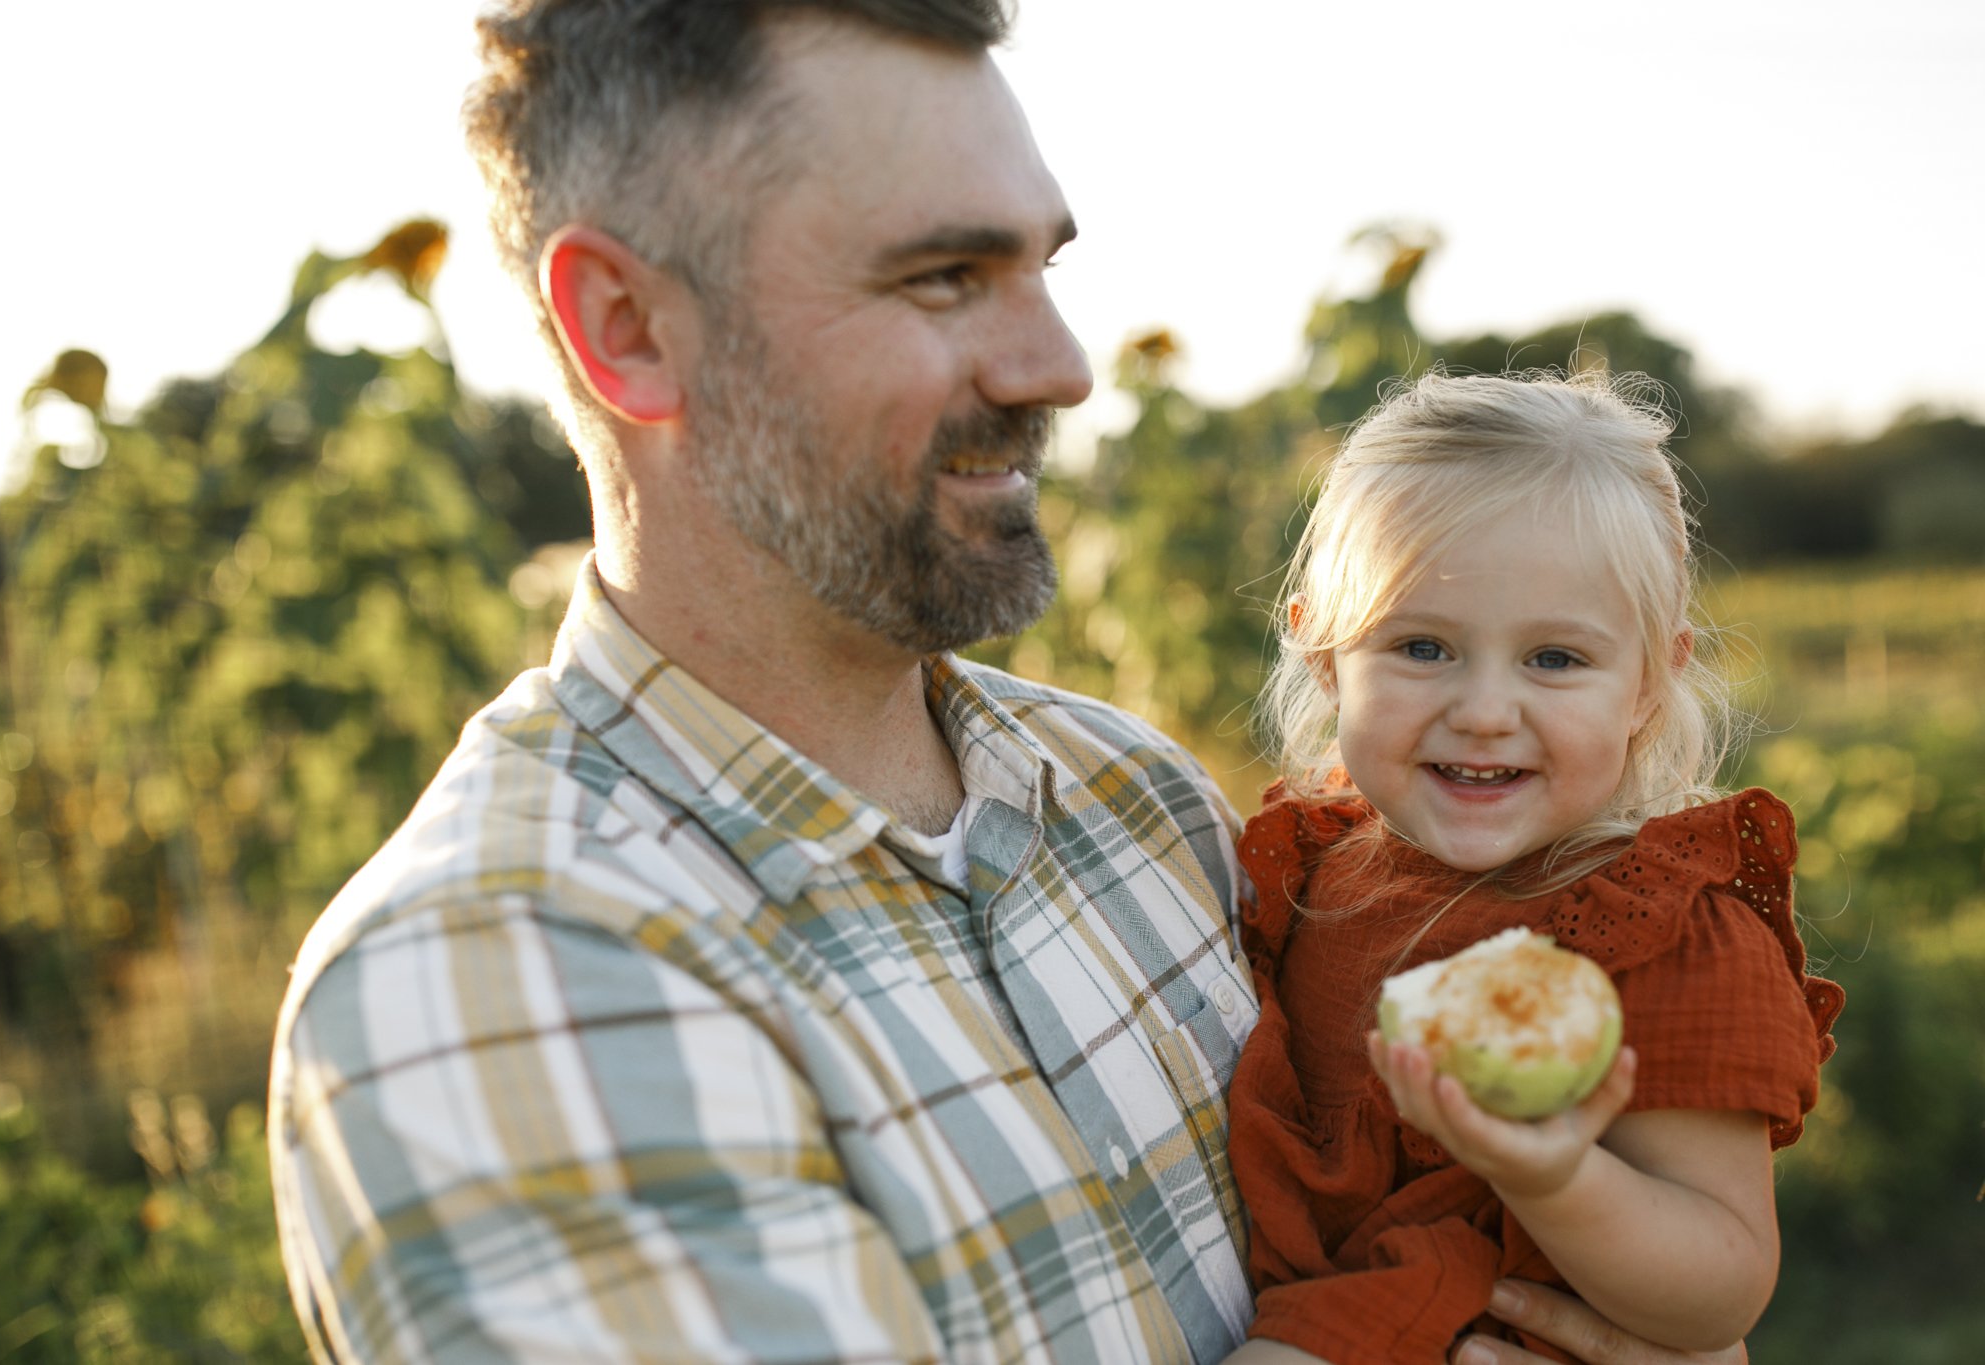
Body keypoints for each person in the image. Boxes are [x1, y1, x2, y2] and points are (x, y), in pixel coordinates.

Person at [268, 3, 1776, 1362]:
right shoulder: (506, 984)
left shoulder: (1138, 807)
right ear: (631, 330)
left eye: (1042, 269)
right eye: (943, 277)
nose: (1063, 365)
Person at [1222, 371, 1845, 1364]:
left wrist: (1555, 1180)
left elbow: (1718, 1289)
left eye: (1552, 660)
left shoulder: (1658, 929)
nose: (1481, 710)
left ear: (1648, 682)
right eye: (1421, 646)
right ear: (1325, 657)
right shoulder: (1312, 867)